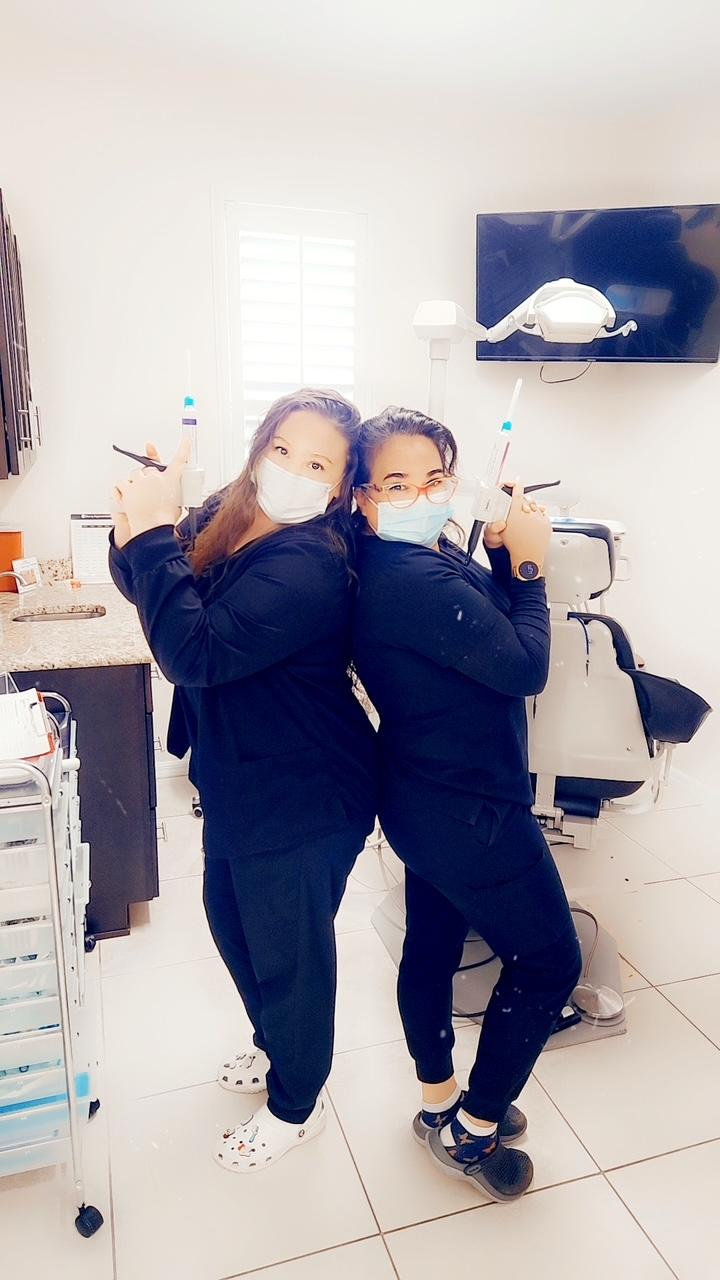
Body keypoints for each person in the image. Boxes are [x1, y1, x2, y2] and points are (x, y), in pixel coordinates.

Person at [109, 389, 377, 1172]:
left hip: (307, 791)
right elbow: (149, 586)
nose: (292, 470)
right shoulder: (234, 509)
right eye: (283, 449)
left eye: (318, 464)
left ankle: (297, 1106)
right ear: (261, 446)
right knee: (232, 921)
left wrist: (153, 532)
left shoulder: (312, 563)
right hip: (241, 779)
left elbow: (191, 650)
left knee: (290, 955)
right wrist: (138, 518)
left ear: (340, 485)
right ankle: (277, 1045)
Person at [352, 406, 582, 1203]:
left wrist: (499, 553)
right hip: (473, 813)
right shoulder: (409, 578)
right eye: (396, 483)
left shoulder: (405, 557)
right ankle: (473, 1129)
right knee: (550, 963)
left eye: (436, 477)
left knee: (433, 947)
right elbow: (523, 667)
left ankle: (438, 1101)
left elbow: (477, 635)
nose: (422, 494)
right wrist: (531, 566)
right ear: (362, 496)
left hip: (425, 798)